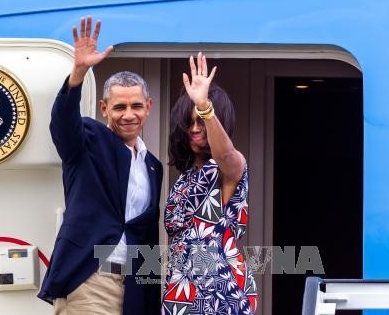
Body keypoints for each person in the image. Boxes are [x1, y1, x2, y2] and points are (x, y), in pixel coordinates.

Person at [38, 16, 163, 315]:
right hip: (90, 278)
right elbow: (63, 126)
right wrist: (78, 74)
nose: (128, 114)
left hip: (133, 283)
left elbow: (144, 235)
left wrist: (149, 289)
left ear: (149, 106)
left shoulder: (152, 166)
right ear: (104, 108)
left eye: (136, 106)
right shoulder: (88, 140)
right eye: (119, 107)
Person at [161, 53, 258, 314]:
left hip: (221, 293)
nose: (195, 128)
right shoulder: (185, 177)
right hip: (182, 290)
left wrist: (204, 105)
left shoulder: (230, 166)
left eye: (201, 121)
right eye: (190, 122)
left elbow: (225, 155)